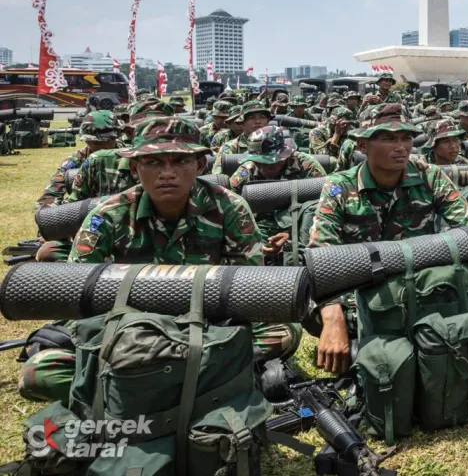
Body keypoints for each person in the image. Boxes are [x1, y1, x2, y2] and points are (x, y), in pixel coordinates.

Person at [19, 118, 302, 404]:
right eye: (153, 162)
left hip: (207, 330)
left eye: (180, 161)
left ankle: (140, 385)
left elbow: (247, 290)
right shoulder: (108, 216)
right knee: (39, 372)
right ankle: (204, 382)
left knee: (284, 330)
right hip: (126, 337)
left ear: (200, 166)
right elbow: (78, 293)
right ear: (134, 168)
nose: (168, 173)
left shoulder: (229, 208)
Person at [304, 103, 468, 373]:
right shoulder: (340, 186)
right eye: (388, 138)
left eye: (406, 137)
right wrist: (332, 314)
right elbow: (322, 252)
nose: (401, 147)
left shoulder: (429, 176)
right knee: (312, 312)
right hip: (363, 296)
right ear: (362, 146)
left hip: (423, 289)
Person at [228, 126, 325, 259]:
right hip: (258, 227)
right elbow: (229, 206)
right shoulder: (247, 171)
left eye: (271, 164)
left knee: (297, 253)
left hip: (299, 227)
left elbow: (325, 205)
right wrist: (252, 240)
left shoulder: (306, 165)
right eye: (259, 163)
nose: (265, 169)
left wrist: (290, 234)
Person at [36, 111, 121, 209]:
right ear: (86, 140)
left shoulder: (131, 155)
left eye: (104, 141)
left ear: (116, 137)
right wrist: (47, 212)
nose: (99, 147)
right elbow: (52, 191)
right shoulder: (76, 161)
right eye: (94, 142)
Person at [211, 100, 271, 174]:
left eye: (263, 117)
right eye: (251, 118)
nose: (258, 121)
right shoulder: (230, 148)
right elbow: (218, 177)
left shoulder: (280, 144)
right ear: (242, 123)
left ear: (268, 121)